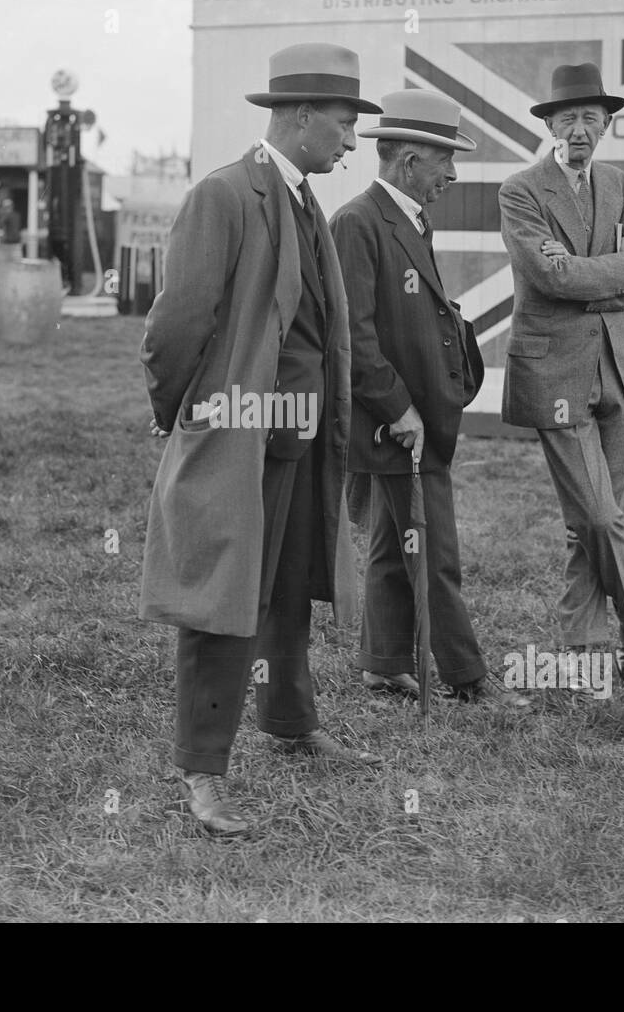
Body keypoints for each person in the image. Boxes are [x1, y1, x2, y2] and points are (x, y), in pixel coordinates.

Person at [139, 43, 385, 836]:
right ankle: (204, 772)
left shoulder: (305, 199)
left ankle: (291, 721)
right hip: (242, 440)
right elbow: (177, 324)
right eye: (345, 126)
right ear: (302, 114)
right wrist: (186, 414)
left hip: (303, 441)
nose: (352, 143)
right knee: (222, 601)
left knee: (289, 591)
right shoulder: (224, 195)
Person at [331, 89, 529, 709]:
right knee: (435, 554)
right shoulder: (358, 223)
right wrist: (400, 409)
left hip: (415, 421)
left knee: (396, 544)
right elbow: (354, 338)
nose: (452, 175)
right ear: (410, 159)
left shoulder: (408, 216)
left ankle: (386, 665)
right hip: (396, 425)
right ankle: (468, 681)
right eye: (445, 160)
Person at [497, 62, 624, 688]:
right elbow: (551, 277)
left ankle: (582, 650)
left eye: (592, 118)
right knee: (596, 514)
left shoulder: (618, 182)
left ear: (608, 124)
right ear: (550, 126)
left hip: (616, 369)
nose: (580, 129)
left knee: (592, 517)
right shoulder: (521, 190)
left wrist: (607, 274)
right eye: (568, 119)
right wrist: (612, 273)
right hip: (554, 374)